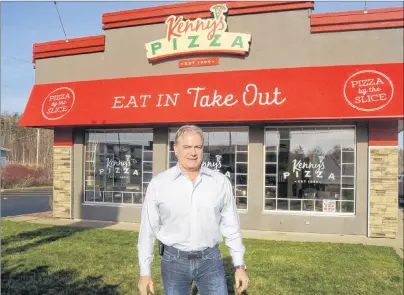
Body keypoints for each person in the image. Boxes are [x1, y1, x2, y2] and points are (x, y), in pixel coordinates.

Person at [137, 125, 249, 295]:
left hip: (210, 261)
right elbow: (147, 230)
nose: (193, 152)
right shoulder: (159, 184)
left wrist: (239, 265)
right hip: (173, 262)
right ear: (176, 149)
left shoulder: (220, 183)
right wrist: (145, 272)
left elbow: (231, 226)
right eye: (187, 147)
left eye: (198, 147)